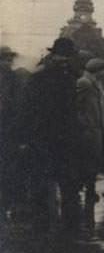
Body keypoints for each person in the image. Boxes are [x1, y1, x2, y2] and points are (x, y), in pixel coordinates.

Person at [17, 38, 82, 228]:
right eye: (62, 56)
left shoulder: (66, 79)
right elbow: (28, 110)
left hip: (55, 140)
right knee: (52, 183)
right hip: (50, 139)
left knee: (59, 184)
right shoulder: (49, 80)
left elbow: (72, 112)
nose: (63, 60)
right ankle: (53, 230)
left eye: (65, 57)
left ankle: (54, 229)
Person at [76, 58, 104, 222]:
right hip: (89, 132)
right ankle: (87, 190)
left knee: (94, 163)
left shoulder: (96, 84)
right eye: (103, 70)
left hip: (98, 131)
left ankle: (90, 189)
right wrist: (85, 125)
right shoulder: (84, 83)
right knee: (87, 163)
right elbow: (76, 107)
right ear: (97, 70)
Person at [0, 46, 23, 217]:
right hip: (7, 126)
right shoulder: (12, 78)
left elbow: (17, 104)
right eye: (5, 59)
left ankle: (7, 200)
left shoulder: (14, 78)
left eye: (9, 59)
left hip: (8, 126)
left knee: (8, 164)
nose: (8, 63)